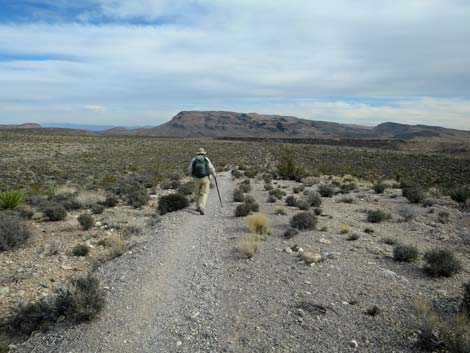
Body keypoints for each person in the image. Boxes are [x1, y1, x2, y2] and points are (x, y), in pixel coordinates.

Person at [188, 148, 216, 215]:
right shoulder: (206, 159)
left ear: (198, 153)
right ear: (204, 153)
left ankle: (197, 207)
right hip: (205, 178)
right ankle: (201, 206)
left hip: (196, 178)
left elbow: (189, 169)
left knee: (197, 193)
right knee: (204, 193)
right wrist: (214, 174)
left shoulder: (194, 159)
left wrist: (191, 175)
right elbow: (211, 168)